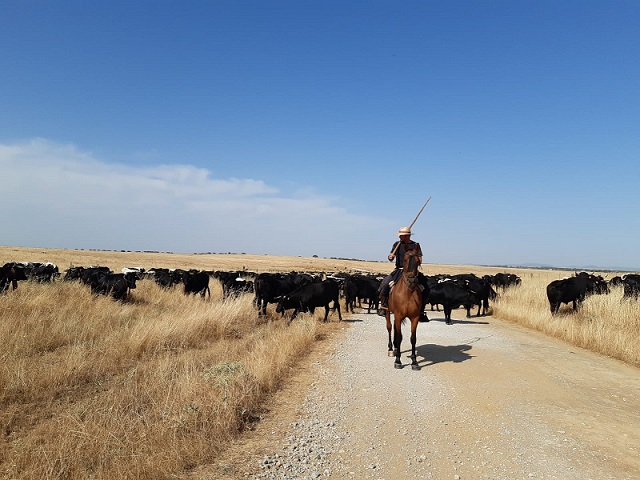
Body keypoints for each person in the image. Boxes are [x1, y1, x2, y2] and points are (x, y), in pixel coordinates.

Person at [377, 226, 430, 321]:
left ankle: (421, 311)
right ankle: (384, 307)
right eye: (400, 235)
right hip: (399, 270)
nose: (400, 237)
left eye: (402, 235)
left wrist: (416, 260)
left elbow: (420, 258)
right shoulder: (397, 244)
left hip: (413, 271)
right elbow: (391, 257)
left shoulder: (415, 245)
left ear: (407, 236)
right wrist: (390, 257)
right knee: (385, 284)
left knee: (426, 287)